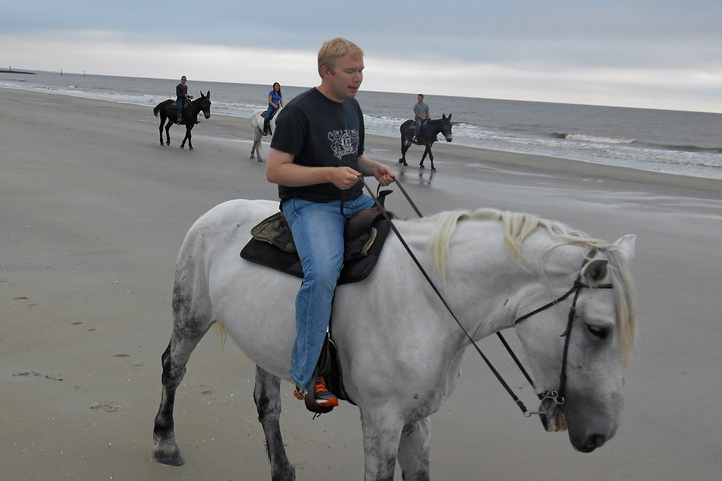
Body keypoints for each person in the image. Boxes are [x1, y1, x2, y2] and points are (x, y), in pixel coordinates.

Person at [266, 38, 396, 410]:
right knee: (323, 273)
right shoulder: (298, 112)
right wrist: (328, 174)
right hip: (310, 204)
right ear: (326, 72)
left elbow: (350, 156)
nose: (358, 78)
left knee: (403, 249)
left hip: (354, 197)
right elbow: (275, 170)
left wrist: (373, 168)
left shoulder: (352, 106)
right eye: (350, 71)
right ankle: (306, 373)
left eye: (361, 71)